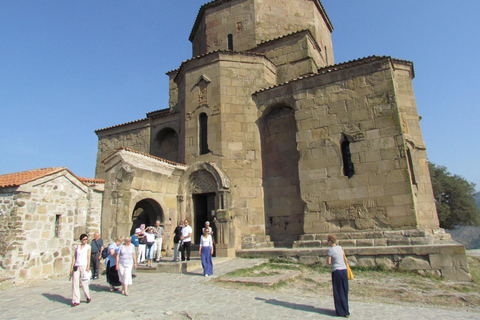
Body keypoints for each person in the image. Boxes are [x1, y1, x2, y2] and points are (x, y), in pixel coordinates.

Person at [326, 234, 350, 318]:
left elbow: (328, 262)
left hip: (336, 271)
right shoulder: (340, 248)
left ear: (330, 241)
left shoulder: (330, 250)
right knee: (344, 290)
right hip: (344, 270)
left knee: (337, 291)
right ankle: (346, 310)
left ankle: (340, 311)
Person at [70, 233, 91, 307]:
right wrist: (72, 267)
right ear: (81, 240)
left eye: (86, 239)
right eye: (84, 239)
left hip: (84, 265)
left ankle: (87, 296)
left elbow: (88, 257)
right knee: (75, 282)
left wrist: (88, 266)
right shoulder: (77, 247)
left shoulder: (88, 247)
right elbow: (74, 257)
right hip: (77, 265)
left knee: (83, 282)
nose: (85, 241)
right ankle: (76, 300)